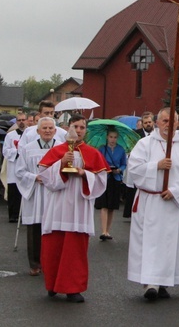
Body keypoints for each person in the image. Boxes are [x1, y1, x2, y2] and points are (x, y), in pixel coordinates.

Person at [127, 107, 179, 301]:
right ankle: (150, 283)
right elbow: (133, 169)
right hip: (151, 201)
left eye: (172, 121)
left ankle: (165, 282)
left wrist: (175, 192)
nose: (169, 124)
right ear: (157, 122)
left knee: (170, 244)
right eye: (165, 121)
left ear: (178, 123)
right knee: (149, 243)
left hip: (173, 203)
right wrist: (156, 166)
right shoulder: (145, 144)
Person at [38, 114, 108, 303]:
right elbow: (43, 176)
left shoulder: (93, 153)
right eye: (75, 126)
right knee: (54, 246)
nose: (78, 131)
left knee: (74, 250)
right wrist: (60, 163)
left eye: (81, 128)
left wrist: (84, 173)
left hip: (79, 205)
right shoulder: (58, 150)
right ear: (67, 127)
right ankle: (52, 284)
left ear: (86, 131)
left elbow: (102, 181)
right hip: (58, 204)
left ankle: (72, 288)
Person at [15, 117, 61, 277]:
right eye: (44, 128)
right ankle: (35, 263)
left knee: (54, 229)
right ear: (38, 131)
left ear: (55, 131)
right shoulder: (28, 149)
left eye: (50, 128)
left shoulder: (62, 149)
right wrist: (35, 177)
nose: (48, 131)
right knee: (35, 229)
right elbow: (19, 171)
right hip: (36, 192)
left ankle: (51, 263)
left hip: (55, 193)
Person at [95, 129, 127, 241]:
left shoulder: (121, 150)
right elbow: (97, 162)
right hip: (105, 178)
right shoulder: (102, 149)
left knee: (112, 206)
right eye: (111, 137)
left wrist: (119, 170)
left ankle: (108, 231)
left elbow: (124, 164)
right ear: (107, 137)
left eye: (115, 137)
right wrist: (105, 169)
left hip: (116, 178)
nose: (113, 139)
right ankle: (103, 231)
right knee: (104, 205)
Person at [3, 112, 28, 222]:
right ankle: (13, 215)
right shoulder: (10, 135)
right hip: (14, 167)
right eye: (19, 120)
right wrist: (17, 152)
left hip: (26, 168)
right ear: (16, 122)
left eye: (23, 120)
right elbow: (5, 151)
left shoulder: (30, 134)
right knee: (14, 193)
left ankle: (25, 215)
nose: (21, 122)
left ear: (27, 120)